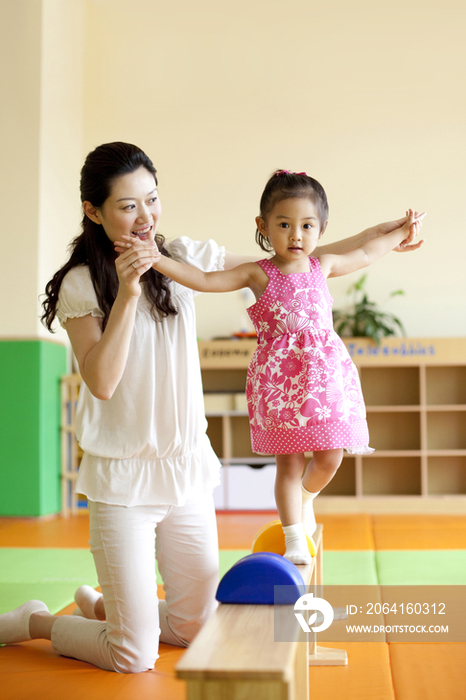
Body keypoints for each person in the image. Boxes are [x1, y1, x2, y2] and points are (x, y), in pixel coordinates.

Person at [0, 148, 422, 672]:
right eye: (128, 206)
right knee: (135, 656)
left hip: (185, 471)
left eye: (152, 200)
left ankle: (111, 609)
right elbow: (102, 383)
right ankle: (37, 621)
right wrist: (129, 291)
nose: (146, 217)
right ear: (94, 211)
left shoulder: (184, 254)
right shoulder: (82, 283)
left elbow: (296, 261)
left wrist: (386, 234)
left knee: (195, 629)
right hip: (122, 481)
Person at [145, 170, 424, 565]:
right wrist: (157, 261)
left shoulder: (322, 265)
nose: (296, 235)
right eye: (284, 224)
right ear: (263, 226)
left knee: (331, 456)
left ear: (321, 229)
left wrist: (402, 233)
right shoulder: (258, 273)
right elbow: (204, 279)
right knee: (289, 462)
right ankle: (294, 535)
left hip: (324, 379)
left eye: (307, 226)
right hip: (280, 383)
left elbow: (365, 253)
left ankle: (306, 497)